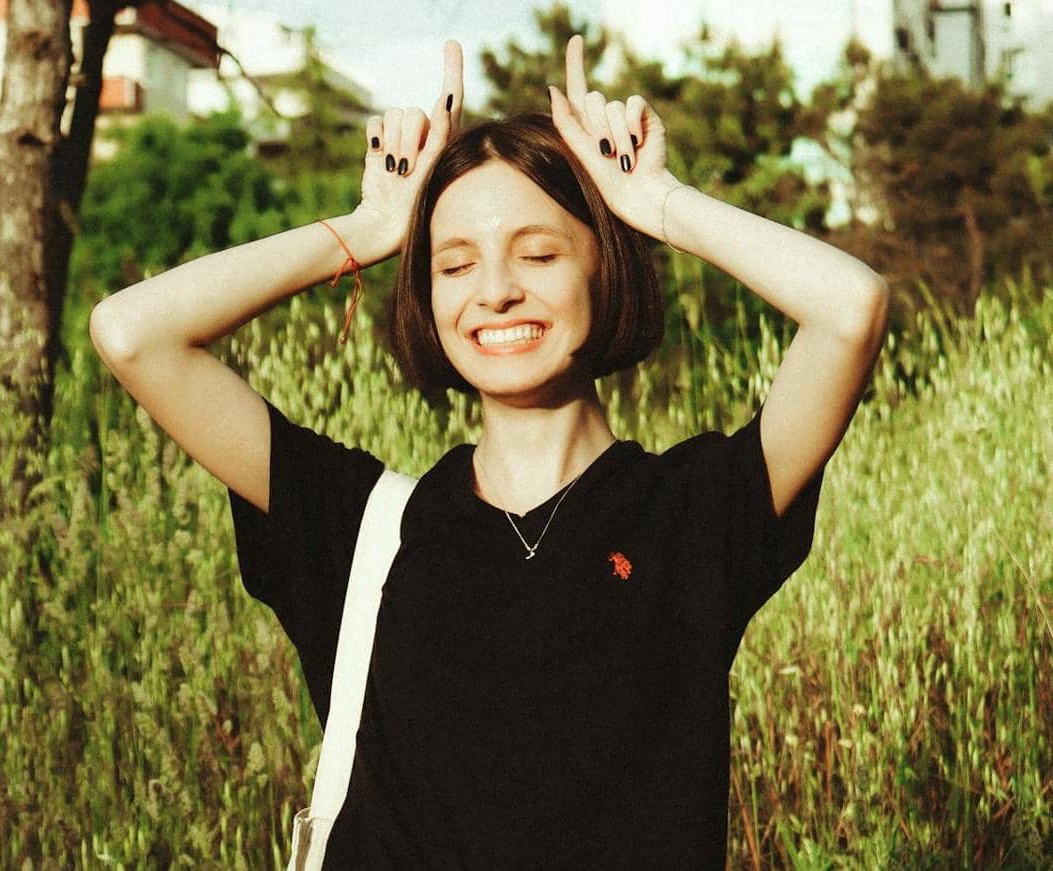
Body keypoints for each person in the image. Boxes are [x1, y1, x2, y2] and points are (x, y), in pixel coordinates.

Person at [90, 34, 888, 871]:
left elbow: (850, 309)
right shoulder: (363, 532)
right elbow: (134, 333)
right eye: (455, 264)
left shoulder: (693, 517)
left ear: (603, 265)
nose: (497, 291)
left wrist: (653, 202)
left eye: (538, 254)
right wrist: (368, 228)